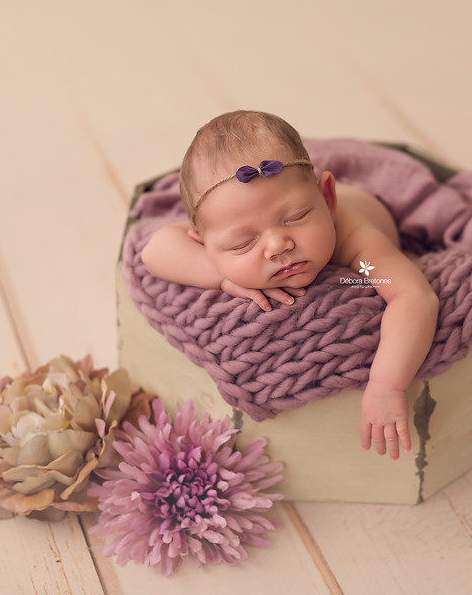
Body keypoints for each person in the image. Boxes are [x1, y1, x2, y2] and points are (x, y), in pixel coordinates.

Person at [141, 111, 439, 461]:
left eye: (296, 218)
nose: (277, 246)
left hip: (367, 212)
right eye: (241, 244)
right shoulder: (226, 219)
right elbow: (153, 251)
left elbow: (412, 295)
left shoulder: (357, 242)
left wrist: (388, 386)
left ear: (327, 197)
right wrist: (221, 275)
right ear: (202, 243)